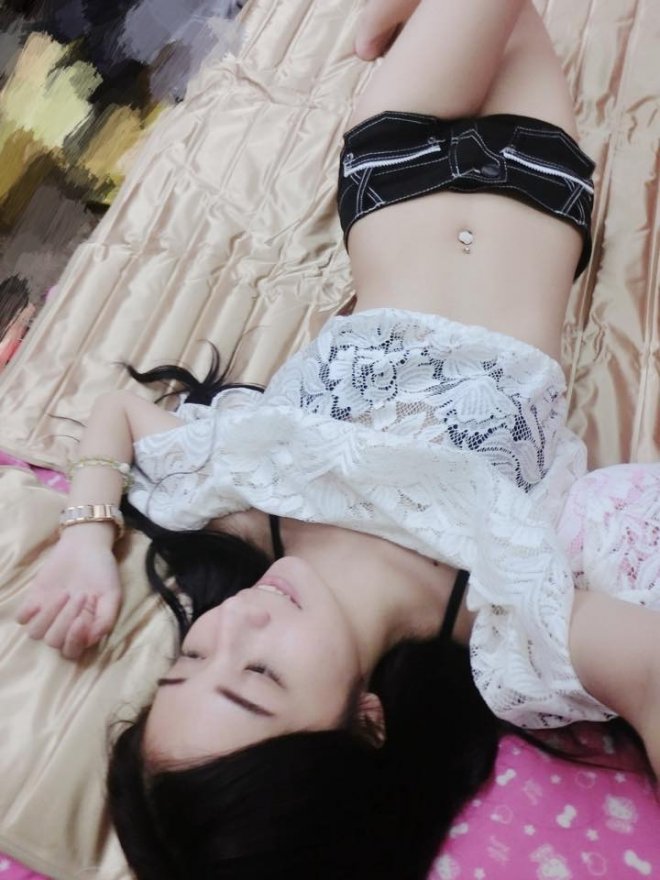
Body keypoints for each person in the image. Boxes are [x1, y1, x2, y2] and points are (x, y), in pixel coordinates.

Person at [15, 0, 660, 877]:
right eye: (260, 677)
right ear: (365, 724)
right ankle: (398, 20)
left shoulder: (250, 512)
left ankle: (402, 25)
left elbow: (118, 414)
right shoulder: (507, 621)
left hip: (393, 165)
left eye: (192, 656)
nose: (237, 625)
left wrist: (88, 538)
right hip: (540, 183)